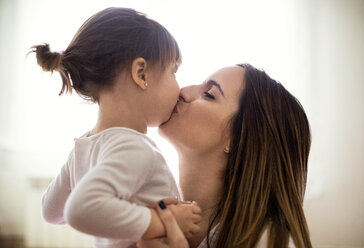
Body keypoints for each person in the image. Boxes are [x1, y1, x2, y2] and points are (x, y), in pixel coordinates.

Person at [31, 7, 201, 248]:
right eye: (173, 72)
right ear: (141, 73)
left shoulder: (82, 150)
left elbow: (51, 212)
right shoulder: (134, 147)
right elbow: (79, 210)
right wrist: (160, 222)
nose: (179, 86)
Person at [139, 64, 312, 248]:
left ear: (238, 139)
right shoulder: (147, 211)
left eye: (209, 94)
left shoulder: (270, 242)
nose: (183, 91)